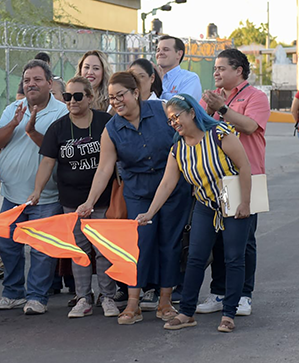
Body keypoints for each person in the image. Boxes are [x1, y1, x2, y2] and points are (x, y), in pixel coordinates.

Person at [76, 71, 192, 325]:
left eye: (121, 95)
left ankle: (165, 302)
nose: (116, 101)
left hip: (172, 186)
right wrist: (90, 202)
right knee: (138, 247)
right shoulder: (111, 129)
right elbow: (104, 168)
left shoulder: (162, 110)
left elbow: (186, 137)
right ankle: (132, 304)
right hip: (138, 191)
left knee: (170, 243)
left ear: (136, 93)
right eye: (111, 97)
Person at [135, 94, 252, 333]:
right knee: (195, 258)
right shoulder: (178, 149)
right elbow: (166, 184)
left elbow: (245, 165)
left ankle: (229, 313)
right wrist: (149, 212)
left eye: (176, 116)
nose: (174, 123)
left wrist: (245, 204)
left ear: (191, 113)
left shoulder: (220, 134)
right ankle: (187, 312)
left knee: (233, 258)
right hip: (205, 204)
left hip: (233, 200)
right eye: (169, 120)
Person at [28, 76, 119, 318]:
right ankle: (83, 297)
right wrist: (37, 190)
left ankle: (108, 296)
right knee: (79, 250)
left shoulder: (105, 122)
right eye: (67, 97)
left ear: (90, 97)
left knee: (103, 250)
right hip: (71, 202)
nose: (72, 101)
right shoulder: (57, 128)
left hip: (103, 199)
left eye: (78, 96)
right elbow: (48, 162)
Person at [0, 60, 68, 315]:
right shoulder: (14, 107)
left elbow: (58, 152)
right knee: (6, 244)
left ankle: (37, 297)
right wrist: (14, 123)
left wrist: (32, 131)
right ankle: (13, 293)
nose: (31, 84)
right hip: (11, 194)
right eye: (26, 80)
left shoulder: (61, 113)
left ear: (49, 83)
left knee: (41, 249)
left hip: (46, 196)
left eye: (37, 79)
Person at [197, 48, 270, 316]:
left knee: (244, 240)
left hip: (246, 176)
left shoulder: (256, 97)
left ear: (238, 70)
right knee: (217, 238)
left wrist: (222, 108)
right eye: (215, 68)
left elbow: (250, 127)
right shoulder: (215, 99)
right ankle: (218, 292)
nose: (216, 72)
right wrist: (208, 108)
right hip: (216, 177)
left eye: (221, 68)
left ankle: (243, 295)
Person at [156, 35, 202, 101]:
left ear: (179, 54)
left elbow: (181, 105)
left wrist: (159, 86)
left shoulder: (190, 79)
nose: (160, 53)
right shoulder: (151, 78)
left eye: (166, 49)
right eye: (158, 50)